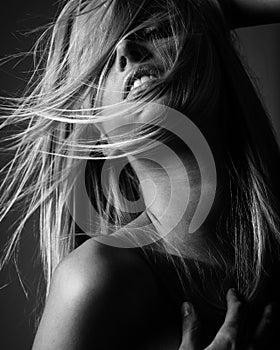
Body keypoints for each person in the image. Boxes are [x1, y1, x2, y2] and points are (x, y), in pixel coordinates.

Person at [0, 0, 279, 349]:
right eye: (100, 59)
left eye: (151, 25)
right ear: (98, 131)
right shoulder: (94, 280)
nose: (127, 50)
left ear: (208, 44)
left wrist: (208, 7)